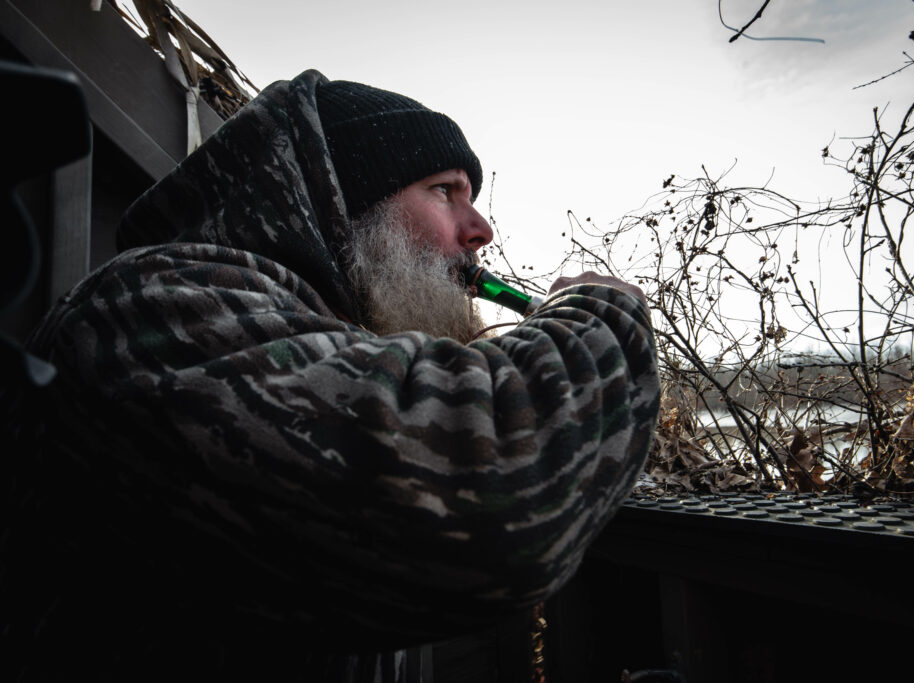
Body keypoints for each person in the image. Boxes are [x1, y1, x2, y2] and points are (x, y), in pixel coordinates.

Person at [0, 70, 660, 682]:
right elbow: (488, 499)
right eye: (444, 191)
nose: (480, 227)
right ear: (340, 202)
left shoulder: (301, 334)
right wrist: (603, 317)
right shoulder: (155, 309)